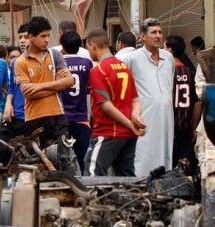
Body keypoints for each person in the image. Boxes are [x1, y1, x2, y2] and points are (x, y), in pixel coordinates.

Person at [15, 16, 77, 174]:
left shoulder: (55, 55)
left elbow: (69, 81)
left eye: (48, 35)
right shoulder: (20, 62)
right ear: (31, 37)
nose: (47, 40)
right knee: (39, 163)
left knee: (65, 159)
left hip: (58, 114)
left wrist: (39, 87)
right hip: (34, 119)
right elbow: (28, 93)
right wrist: (56, 86)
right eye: (43, 36)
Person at [83, 28, 145, 176]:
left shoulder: (98, 71)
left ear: (93, 45)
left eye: (88, 48)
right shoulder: (123, 67)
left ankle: (96, 200)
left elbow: (106, 106)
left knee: (92, 173)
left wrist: (131, 123)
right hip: (128, 134)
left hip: (108, 131)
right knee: (126, 178)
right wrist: (135, 117)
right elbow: (136, 100)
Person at [120, 18, 175, 176]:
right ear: (143, 36)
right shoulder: (132, 59)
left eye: (160, 32)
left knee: (165, 156)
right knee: (143, 156)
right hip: (144, 119)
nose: (158, 36)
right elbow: (123, 87)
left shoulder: (168, 58)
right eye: (153, 32)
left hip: (166, 118)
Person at [59, 31, 93, 173]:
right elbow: (90, 87)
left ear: (62, 47)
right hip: (81, 118)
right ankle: (85, 186)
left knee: (63, 158)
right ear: (80, 46)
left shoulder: (58, 64)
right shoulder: (87, 63)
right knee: (83, 158)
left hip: (62, 119)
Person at [164, 35, 198, 170]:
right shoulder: (190, 72)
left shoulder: (166, 73)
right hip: (185, 128)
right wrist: (194, 127)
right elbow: (197, 102)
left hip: (169, 129)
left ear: (170, 50)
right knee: (185, 168)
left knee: (168, 169)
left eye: (164, 47)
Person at [4, 24, 30, 134]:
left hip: (36, 116)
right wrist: (8, 103)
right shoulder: (15, 62)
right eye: (20, 38)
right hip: (18, 115)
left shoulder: (45, 60)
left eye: (26, 37)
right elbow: (12, 88)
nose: (22, 41)